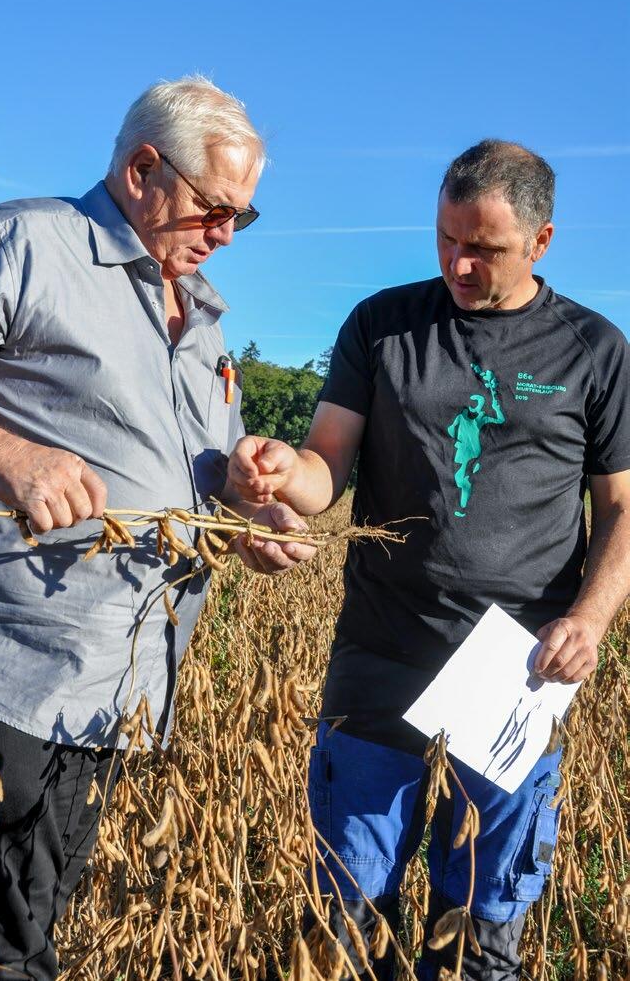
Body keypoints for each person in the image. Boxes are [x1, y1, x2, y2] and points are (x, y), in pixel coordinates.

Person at [228, 140, 630, 980]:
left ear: (543, 241)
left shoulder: (594, 350)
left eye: (485, 247)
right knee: (345, 917)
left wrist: (589, 620)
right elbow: (325, 464)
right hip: (380, 657)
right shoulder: (382, 324)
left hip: (516, 679)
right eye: (447, 238)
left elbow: (622, 506)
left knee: (481, 933)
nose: (459, 262)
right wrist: (281, 478)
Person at [0, 75, 314, 981]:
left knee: (29, 921)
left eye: (245, 217)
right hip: (5, 671)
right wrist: (6, 452)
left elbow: (212, 478)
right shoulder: (28, 245)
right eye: (214, 209)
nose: (226, 237)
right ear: (141, 168)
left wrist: (253, 513)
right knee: (1, 946)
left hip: (112, 694)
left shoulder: (201, 325)